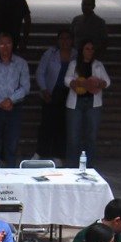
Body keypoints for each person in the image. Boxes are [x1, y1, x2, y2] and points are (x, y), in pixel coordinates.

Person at [0, 32, 31, 166]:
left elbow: (25, 86)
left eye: (8, 43)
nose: (5, 47)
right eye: (1, 44)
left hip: (14, 107)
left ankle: (10, 171)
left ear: (12, 45)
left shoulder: (21, 63)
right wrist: (0, 102)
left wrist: (10, 100)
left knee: (12, 143)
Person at [63, 39, 110, 167]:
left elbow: (107, 81)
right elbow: (67, 79)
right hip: (75, 103)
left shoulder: (98, 65)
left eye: (92, 49)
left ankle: (89, 166)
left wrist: (97, 84)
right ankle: (72, 166)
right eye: (87, 49)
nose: (90, 51)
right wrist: (77, 83)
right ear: (82, 51)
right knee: (73, 137)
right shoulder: (74, 64)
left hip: (93, 104)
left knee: (91, 136)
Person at [35, 30, 75, 162]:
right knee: (46, 124)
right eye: (62, 38)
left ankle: (58, 155)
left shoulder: (76, 55)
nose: (65, 41)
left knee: (62, 126)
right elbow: (40, 72)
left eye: (67, 38)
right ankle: (40, 152)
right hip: (51, 93)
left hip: (69, 94)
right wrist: (44, 89)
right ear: (58, 40)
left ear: (72, 40)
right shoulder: (50, 53)